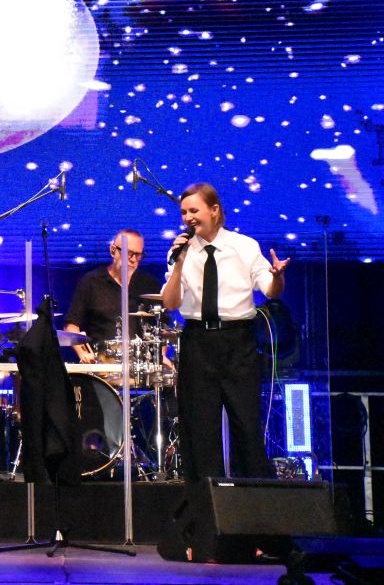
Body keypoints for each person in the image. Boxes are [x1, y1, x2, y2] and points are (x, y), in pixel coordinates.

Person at [160, 182, 289, 482]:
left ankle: (254, 498)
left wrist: (278, 276)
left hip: (237, 342)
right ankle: (206, 498)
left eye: (194, 210)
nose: (188, 217)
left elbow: (270, 290)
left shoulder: (244, 246)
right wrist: (178, 264)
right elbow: (171, 303)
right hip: (197, 341)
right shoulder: (182, 250)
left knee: (246, 424)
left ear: (214, 210)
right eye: (184, 212)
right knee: (200, 428)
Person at [64, 228, 162, 363]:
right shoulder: (91, 282)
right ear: (113, 250)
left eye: (138, 255)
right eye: (129, 253)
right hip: (100, 364)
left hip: (140, 365)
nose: (134, 259)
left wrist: (161, 356)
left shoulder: (149, 285)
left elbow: (162, 328)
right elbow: (71, 326)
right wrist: (83, 354)